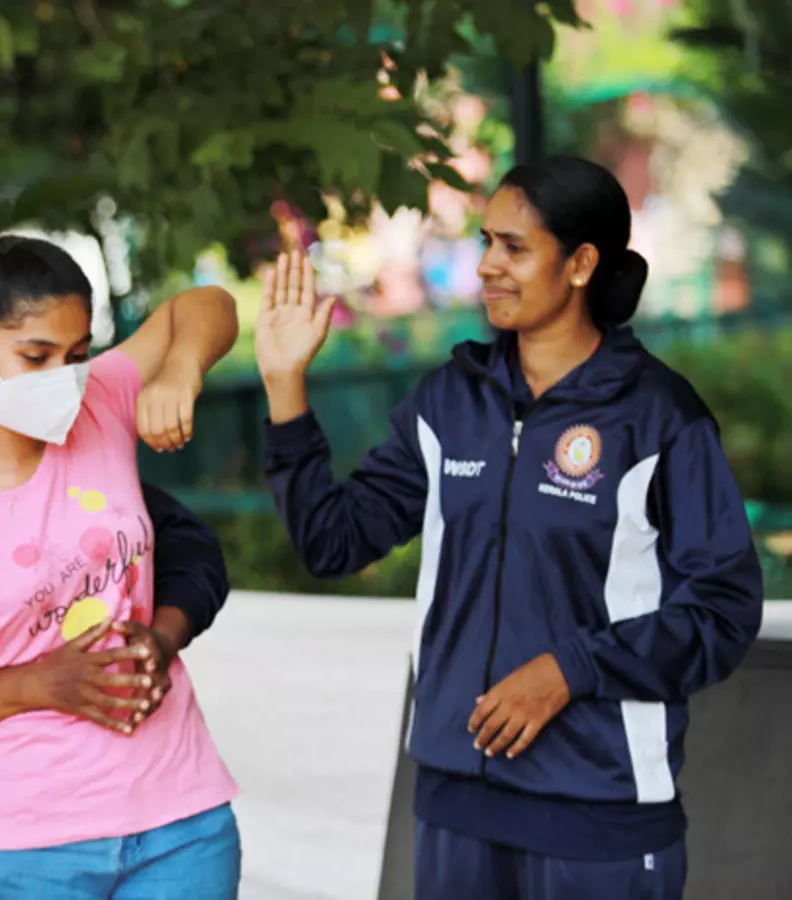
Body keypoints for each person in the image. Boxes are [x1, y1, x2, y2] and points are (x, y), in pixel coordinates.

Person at [255, 156, 763, 900]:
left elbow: (722, 611)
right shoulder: (450, 402)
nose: (487, 266)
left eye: (514, 248)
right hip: (457, 807)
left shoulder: (658, 417)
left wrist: (570, 670)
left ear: (582, 262)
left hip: (600, 812)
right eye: (487, 242)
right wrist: (283, 386)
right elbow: (335, 542)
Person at [0, 234, 244, 899]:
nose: (63, 377)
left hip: (183, 823)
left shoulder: (101, 402)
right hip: (21, 849)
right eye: (36, 356)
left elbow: (207, 304)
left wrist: (181, 371)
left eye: (77, 354)